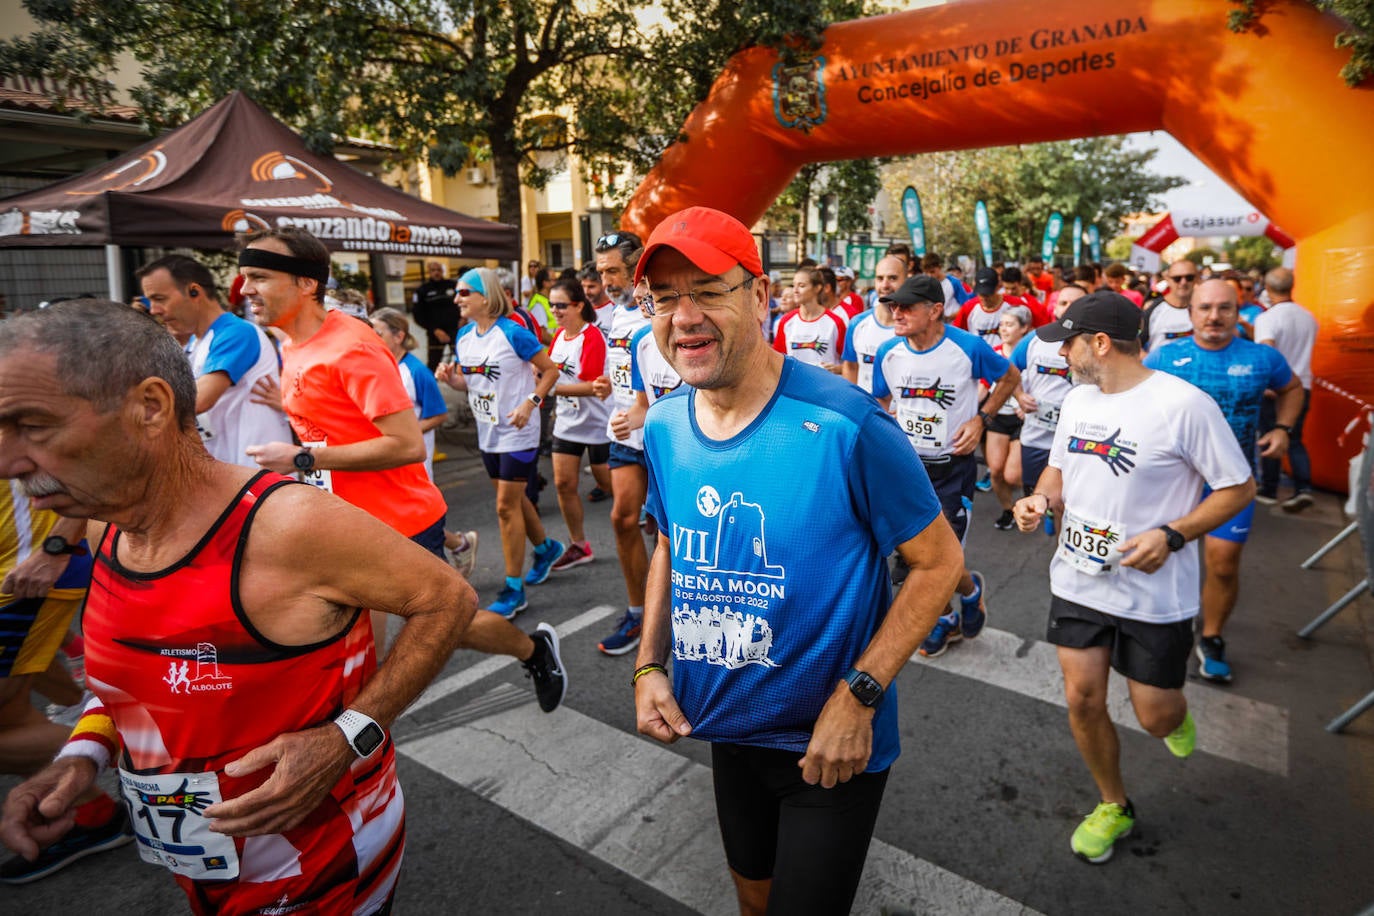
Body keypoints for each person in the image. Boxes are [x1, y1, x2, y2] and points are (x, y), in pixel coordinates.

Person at [0, 300, 475, 912]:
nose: (8, 461)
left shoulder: (287, 526)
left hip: (321, 867)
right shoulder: (104, 529)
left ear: (150, 407)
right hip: (204, 869)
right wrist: (82, 755)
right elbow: (135, 681)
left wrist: (346, 738)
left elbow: (447, 599)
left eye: (33, 426)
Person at [630, 206, 963, 916]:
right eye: (664, 298)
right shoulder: (662, 425)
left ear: (758, 296)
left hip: (829, 743)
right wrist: (650, 665)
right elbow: (665, 541)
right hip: (724, 727)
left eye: (707, 290)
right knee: (754, 905)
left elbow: (938, 563)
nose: (682, 316)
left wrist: (858, 696)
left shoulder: (848, 421)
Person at [238, 229, 564, 704]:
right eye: (246, 277)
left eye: (259, 277)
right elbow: (329, 426)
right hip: (339, 524)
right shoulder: (290, 346)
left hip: (399, 523)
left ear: (306, 283)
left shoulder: (352, 347)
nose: (245, 289)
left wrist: (304, 458)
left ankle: (533, 650)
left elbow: (407, 444)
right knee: (354, 641)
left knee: (450, 623)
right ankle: (352, 738)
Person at [1012, 290, 1254, 865]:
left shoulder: (1183, 405)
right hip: (1077, 579)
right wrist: (1040, 501)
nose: (1062, 354)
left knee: (1155, 715)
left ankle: (1175, 714)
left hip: (1153, 594)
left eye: (1068, 342)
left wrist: (1173, 534)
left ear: (1099, 343)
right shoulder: (1078, 401)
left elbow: (1238, 488)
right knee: (1083, 698)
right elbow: (1058, 470)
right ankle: (1113, 803)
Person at [1144, 279, 1302, 683]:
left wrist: (1283, 428)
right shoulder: (1164, 356)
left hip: (1231, 482)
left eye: (1224, 308)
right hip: (1173, 481)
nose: (1214, 317)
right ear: (1191, 312)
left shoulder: (1262, 358)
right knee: (1162, 556)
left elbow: (1293, 388)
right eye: (1205, 308)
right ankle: (1159, 626)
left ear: (1240, 309)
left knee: (1223, 563)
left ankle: (1211, 636)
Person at [871, 275, 1020, 657]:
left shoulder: (967, 347)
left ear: (935, 310)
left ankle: (960, 603)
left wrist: (981, 420)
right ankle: (952, 611)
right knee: (921, 557)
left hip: (952, 470)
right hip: (908, 471)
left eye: (907, 306)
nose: (896, 312)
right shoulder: (889, 352)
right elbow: (882, 402)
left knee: (939, 557)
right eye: (893, 306)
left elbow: (1009, 376)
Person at [0, 478, 124, 886]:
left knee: (8, 720)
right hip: (21, 570)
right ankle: (93, 812)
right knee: (11, 715)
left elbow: (92, 461)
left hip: (24, 573)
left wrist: (55, 549)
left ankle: (144, 760)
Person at [436, 268, 565, 616]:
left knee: (505, 506)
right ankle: (546, 548)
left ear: (484, 296)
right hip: (488, 431)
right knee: (515, 499)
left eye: (463, 292)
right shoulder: (463, 336)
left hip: (518, 430)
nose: (457, 299)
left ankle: (513, 589)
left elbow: (550, 370)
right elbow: (471, 384)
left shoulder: (512, 333)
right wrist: (453, 379)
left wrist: (531, 402)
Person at [137, 255, 293, 470]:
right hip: (229, 478)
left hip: (257, 481)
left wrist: (129, 417)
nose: (153, 310)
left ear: (195, 292)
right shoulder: (195, 341)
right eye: (149, 301)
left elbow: (198, 400)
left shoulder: (237, 333)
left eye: (159, 299)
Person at [369, 307, 479, 578]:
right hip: (387, 457)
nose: (372, 336)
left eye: (378, 332)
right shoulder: (377, 367)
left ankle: (440, 583)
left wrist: (403, 432)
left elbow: (439, 414)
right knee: (403, 518)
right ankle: (460, 543)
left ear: (398, 336)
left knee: (416, 522)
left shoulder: (416, 371)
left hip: (414, 460)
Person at [589, 230, 655, 656]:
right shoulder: (611, 316)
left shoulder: (659, 308)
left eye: (613, 270)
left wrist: (644, 408)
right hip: (625, 434)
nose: (605, 280)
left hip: (669, 436)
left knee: (671, 531)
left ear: (635, 268)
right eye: (600, 271)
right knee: (622, 518)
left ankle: (684, 611)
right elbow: (624, 369)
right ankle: (639, 612)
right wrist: (606, 384)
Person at [545, 278, 613, 573]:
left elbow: (592, 387)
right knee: (563, 484)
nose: (555, 311)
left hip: (597, 423)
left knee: (610, 484)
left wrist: (548, 390)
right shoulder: (559, 336)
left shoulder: (592, 336)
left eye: (561, 305)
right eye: (552, 305)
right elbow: (549, 373)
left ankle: (649, 518)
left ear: (579, 306)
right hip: (567, 423)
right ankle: (579, 545)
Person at [1012, 283, 1087, 499]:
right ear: (1054, 309)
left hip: (1077, 441)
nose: (1067, 308)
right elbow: (1009, 371)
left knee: (1066, 502)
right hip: (1037, 438)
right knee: (1038, 497)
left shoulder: (1098, 344)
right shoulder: (1035, 339)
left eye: (1075, 303)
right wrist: (1019, 396)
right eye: (1063, 303)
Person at [1254, 267, 1319, 511]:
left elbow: (1268, 353)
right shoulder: (1308, 316)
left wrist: (1269, 383)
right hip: (1303, 385)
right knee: (1294, 440)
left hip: (1278, 389)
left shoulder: (1267, 318)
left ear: (1267, 289)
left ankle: (1270, 489)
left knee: (1270, 436)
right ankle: (1303, 488)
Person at [985, 305, 1034, 530]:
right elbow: (982, 385)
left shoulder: (1032, 352)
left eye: (1010, 324)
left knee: (1013, 476)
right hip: (998, 416)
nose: (1003, 329)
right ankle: (1008, 509)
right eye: (1002, 324)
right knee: (995, 471)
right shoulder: (992, 352)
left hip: (1024, 419)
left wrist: (1027, 403)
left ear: (1024, 328)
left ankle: (1034, 496)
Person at [840, 255, 902, 394]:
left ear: (906, 281)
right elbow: (850, 366)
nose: (885, 285)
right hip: (865, 411)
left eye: (893, 278)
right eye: (880, 279)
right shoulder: (857, 323)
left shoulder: (914, 328)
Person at [774, 267, 846, 373]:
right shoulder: (786, 321)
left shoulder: (835, 322)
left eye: (801, 286)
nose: (795, 290)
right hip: (796, 387)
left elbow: (850, 364)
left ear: (817, 288)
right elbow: (777, 361)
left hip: (826, 386)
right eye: (794, 285)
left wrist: (838, 369)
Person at [411, 260, 459, 371]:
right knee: (433, 364)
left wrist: (463, 319)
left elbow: (463, 303)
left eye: (438, 270)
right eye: (433, 270)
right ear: (429, 272)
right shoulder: (422, 291)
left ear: (442, 271)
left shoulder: (453, 286)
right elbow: (418, 315)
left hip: (456, 329)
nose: (436, 272)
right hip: (435, 333)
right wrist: (434, 330)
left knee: (463, 361)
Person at [1140, 259, 1198, 352]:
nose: (1183, 282)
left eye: (1189, 277)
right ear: (1168, 279)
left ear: (1197, 278)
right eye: (1177, 278)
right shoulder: (1153, 310)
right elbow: (1136, 347)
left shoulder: (1207, 309)